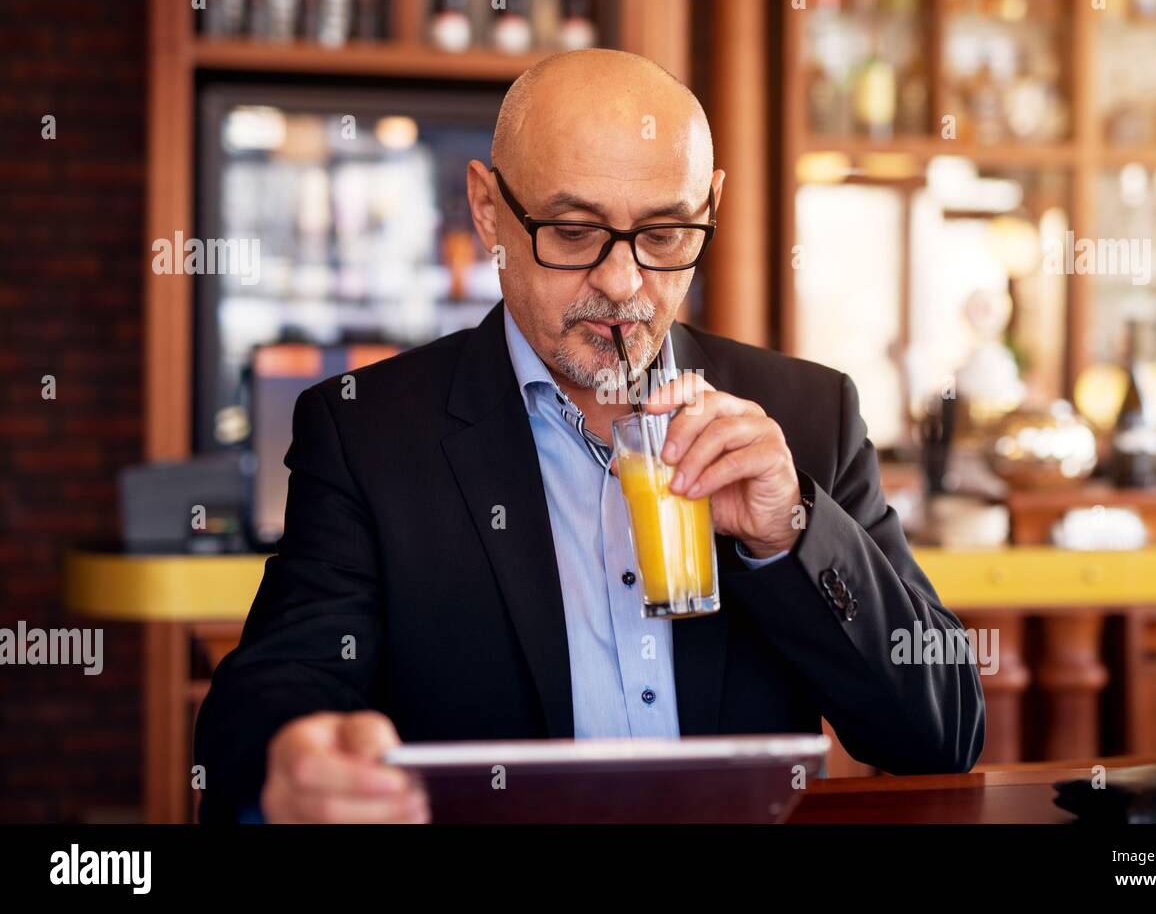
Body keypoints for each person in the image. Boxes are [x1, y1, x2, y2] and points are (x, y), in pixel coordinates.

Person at [195, 49, 985, 823]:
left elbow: (942, 735)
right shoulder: (368, 429)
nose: (622, 282)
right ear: (487, 208)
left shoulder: (808, 414)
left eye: (667, 234)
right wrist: (292, 758)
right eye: (572, 233)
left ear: (709, 204)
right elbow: (273, 692)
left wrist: (794, 533)